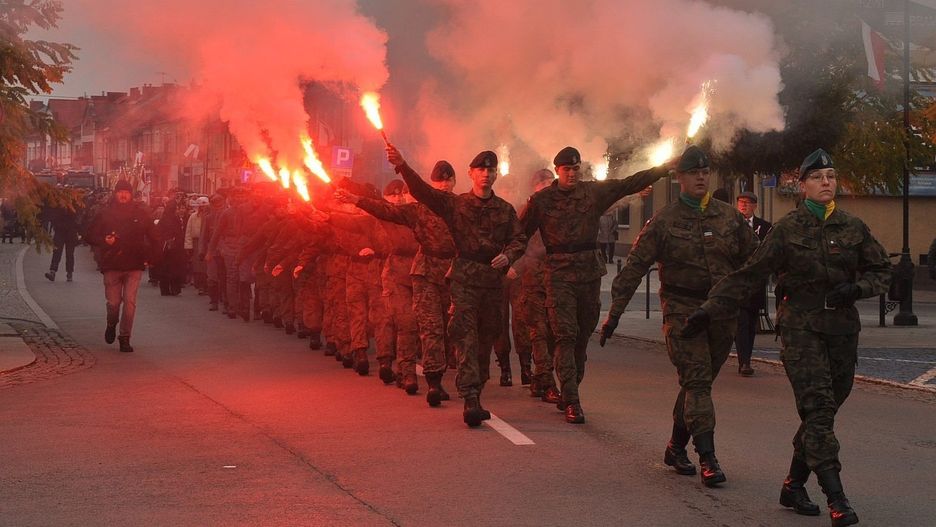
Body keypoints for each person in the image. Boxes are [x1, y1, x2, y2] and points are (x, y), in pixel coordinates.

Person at [682, 149, 890, 526]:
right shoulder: (788, 230)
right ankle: (836, 497)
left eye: (831, 176)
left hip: (842, 332)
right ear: (803, 185)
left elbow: (882, 270)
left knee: (823, 413)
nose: (826, 182)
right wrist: (708, 310)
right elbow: (749, 275)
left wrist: (858, 289)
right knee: (819, 411)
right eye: (818, 177)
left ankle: (793, 484)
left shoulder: (853, 227)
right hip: (801, 331)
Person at [599, 145, 758, 485]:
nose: (701, 177)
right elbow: (634, 268)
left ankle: (675, 446)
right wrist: (613, 315)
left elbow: (755, 261)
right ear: (680, 178)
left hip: (720, 314)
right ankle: (709, 458)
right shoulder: (664, 222)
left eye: (705, 172)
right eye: (693, 173)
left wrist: (746, 294)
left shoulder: (729, 217)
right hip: (683, 312)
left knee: (694, 384)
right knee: (698, 381)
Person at [520, 146, 667, 424]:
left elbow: (628, 184)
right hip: (559, 274)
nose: (572, 173)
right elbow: (519, 234)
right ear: (558, 170)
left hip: (588, 273)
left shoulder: (592, 192)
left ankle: (570, 384)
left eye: (576, 169)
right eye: (567, 169)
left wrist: (664, 168)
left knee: (582, 335)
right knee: (565, 335)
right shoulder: (542, 201)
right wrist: (506, 260)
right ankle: (572, 400)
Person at [390, 145, 527, 427]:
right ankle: (471, 399)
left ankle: (477, 387)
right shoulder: (457, 204)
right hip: (464, 278)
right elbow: (422, 193)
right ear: (470, 174)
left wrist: (509, 255)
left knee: (486, 338)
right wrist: (402, 165)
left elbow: (519, 239)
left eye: (490, 170)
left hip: (491, 281)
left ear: (496, 174)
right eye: (480, 170)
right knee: (465, 337)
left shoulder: (504, 209)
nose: (486, 175)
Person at [334, 161, 458, 407]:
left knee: (442, 327)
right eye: (439, 180)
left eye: (448, 179)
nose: (444, 184)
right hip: (410, 274)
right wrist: (356, 200)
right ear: (431, 183)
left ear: (455, 181)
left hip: (448, 274)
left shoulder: (461, 207)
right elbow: (382, 211)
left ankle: (437, 375)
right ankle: (408, 373)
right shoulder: (416, 211)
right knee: (407, 323)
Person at [85, 179, 159, 352]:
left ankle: (125, 337)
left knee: (130, 302)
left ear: (131, 194)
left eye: (126, 192)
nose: (123, 195)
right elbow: (89, 235)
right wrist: (104, 240)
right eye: (120, 192)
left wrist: (152, 258)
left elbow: (154, 237)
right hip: (112, 264)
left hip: (134, 264)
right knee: (113, 303)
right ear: (115, 193)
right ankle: (111, 323)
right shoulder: (105, 213)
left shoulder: (141, 214)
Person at [734, 191, 772, 376]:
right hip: (738, 281)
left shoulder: (764, 227)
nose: (743, 206)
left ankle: (746, 356)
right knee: (740, 321)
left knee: (751, 322)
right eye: (740, 202)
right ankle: (744, 361)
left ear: (754, 206)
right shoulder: (730, 225)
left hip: (756, 283)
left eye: (747, 203)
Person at [45, 203, 81, 282]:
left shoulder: (75, 201)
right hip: (60, 231)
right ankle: (53, 271)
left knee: (70, 254)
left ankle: (69, 273)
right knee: (57, 251)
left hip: (70, 232)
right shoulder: (58, 201)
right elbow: (52, 214)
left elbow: (78, 215)